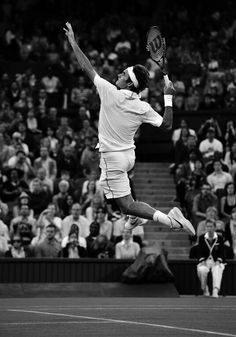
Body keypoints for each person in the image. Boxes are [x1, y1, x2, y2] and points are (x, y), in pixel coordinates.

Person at [64, 22, 195, 236]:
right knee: (120, 197)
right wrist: (168, 96)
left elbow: (86, 66)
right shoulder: (142, 106)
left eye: (123, 74)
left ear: (129, 83)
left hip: (113, 158)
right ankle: (134, 219)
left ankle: (172, 221)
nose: (119, 74)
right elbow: (167, 124)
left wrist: (73, 43)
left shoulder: (109, 92)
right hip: (128, 156)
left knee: (125, 205)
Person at [197, 219, 225, 298]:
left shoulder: (219, 238)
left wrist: (218, 261)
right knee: (202, 270)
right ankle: (205, 289)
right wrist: (202, 261)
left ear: (214, 227)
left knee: (217, 269)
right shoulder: (202, 238)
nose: (209, 228)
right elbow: (199, 252)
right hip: (205, 261)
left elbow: (222, 252)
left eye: (211, 226)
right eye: (207, 226)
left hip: (216, 261)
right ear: (205, 227)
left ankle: (215, 290)